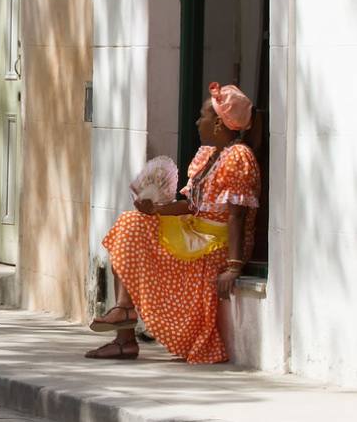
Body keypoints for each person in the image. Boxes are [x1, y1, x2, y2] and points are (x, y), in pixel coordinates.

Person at [85, 82, 261, 363]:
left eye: (203, 116)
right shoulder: (208, 155)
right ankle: (125, 320)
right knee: (131, 223)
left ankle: (125, 328)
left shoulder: (239, 156)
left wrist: (233, 267)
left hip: (215, 244)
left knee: (135, 234)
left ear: (218, 123)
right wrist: (154, 210)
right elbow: (190, 205)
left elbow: (237, 217)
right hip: (194, 232)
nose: (197, 122)